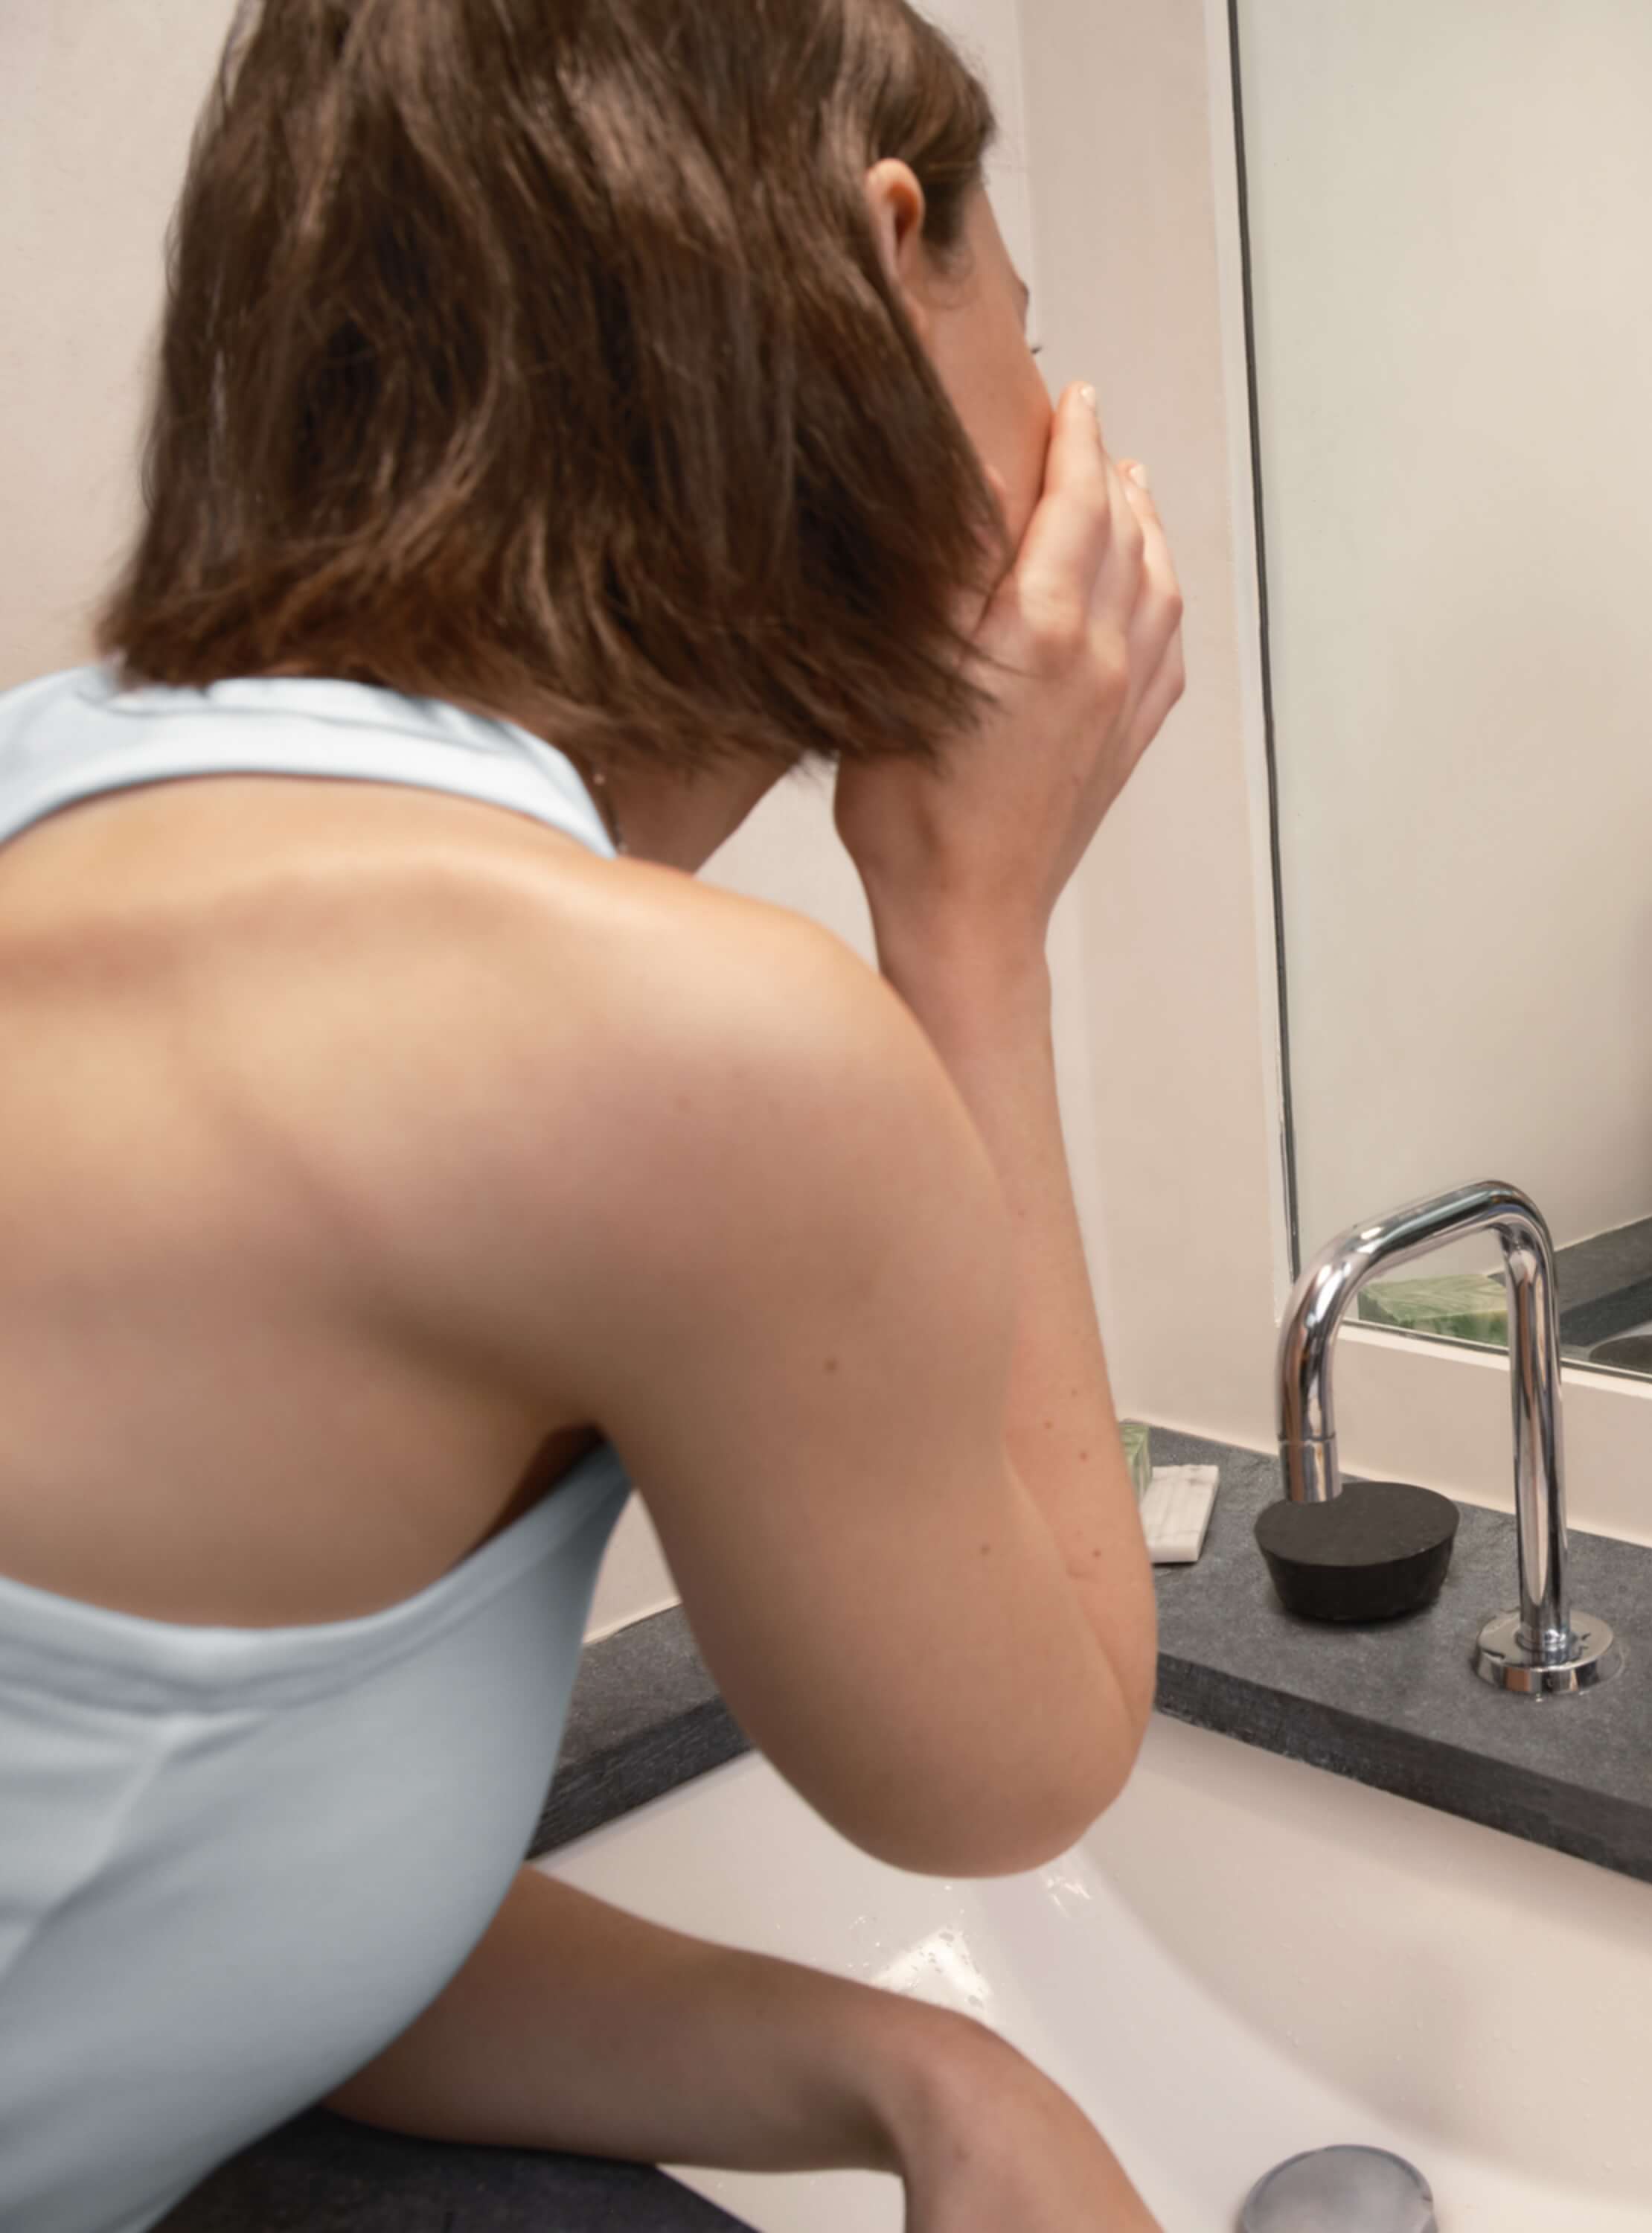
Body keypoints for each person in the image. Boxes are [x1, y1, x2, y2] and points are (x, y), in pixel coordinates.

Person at [0, 2, 1177, 2226]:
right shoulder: (671, 1054)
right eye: (1024, 341)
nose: (1054, 445)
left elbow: (195, 1916)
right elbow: (1022, 1765)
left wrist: (926, 2074)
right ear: (880, 265)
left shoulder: (65, 796)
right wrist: (970, 917)